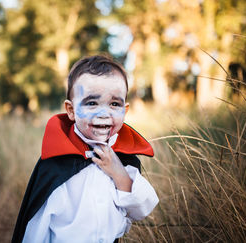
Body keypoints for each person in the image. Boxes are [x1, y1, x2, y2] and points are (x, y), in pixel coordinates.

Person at [12, 55, 159, 243]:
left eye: (114, 104)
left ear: (125, 110)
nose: (104, 113)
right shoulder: (56, 163)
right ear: (71, 110)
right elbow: (35, 229)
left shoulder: (123, 160)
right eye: (91, 103)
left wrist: (119, 174)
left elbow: (142, 209)